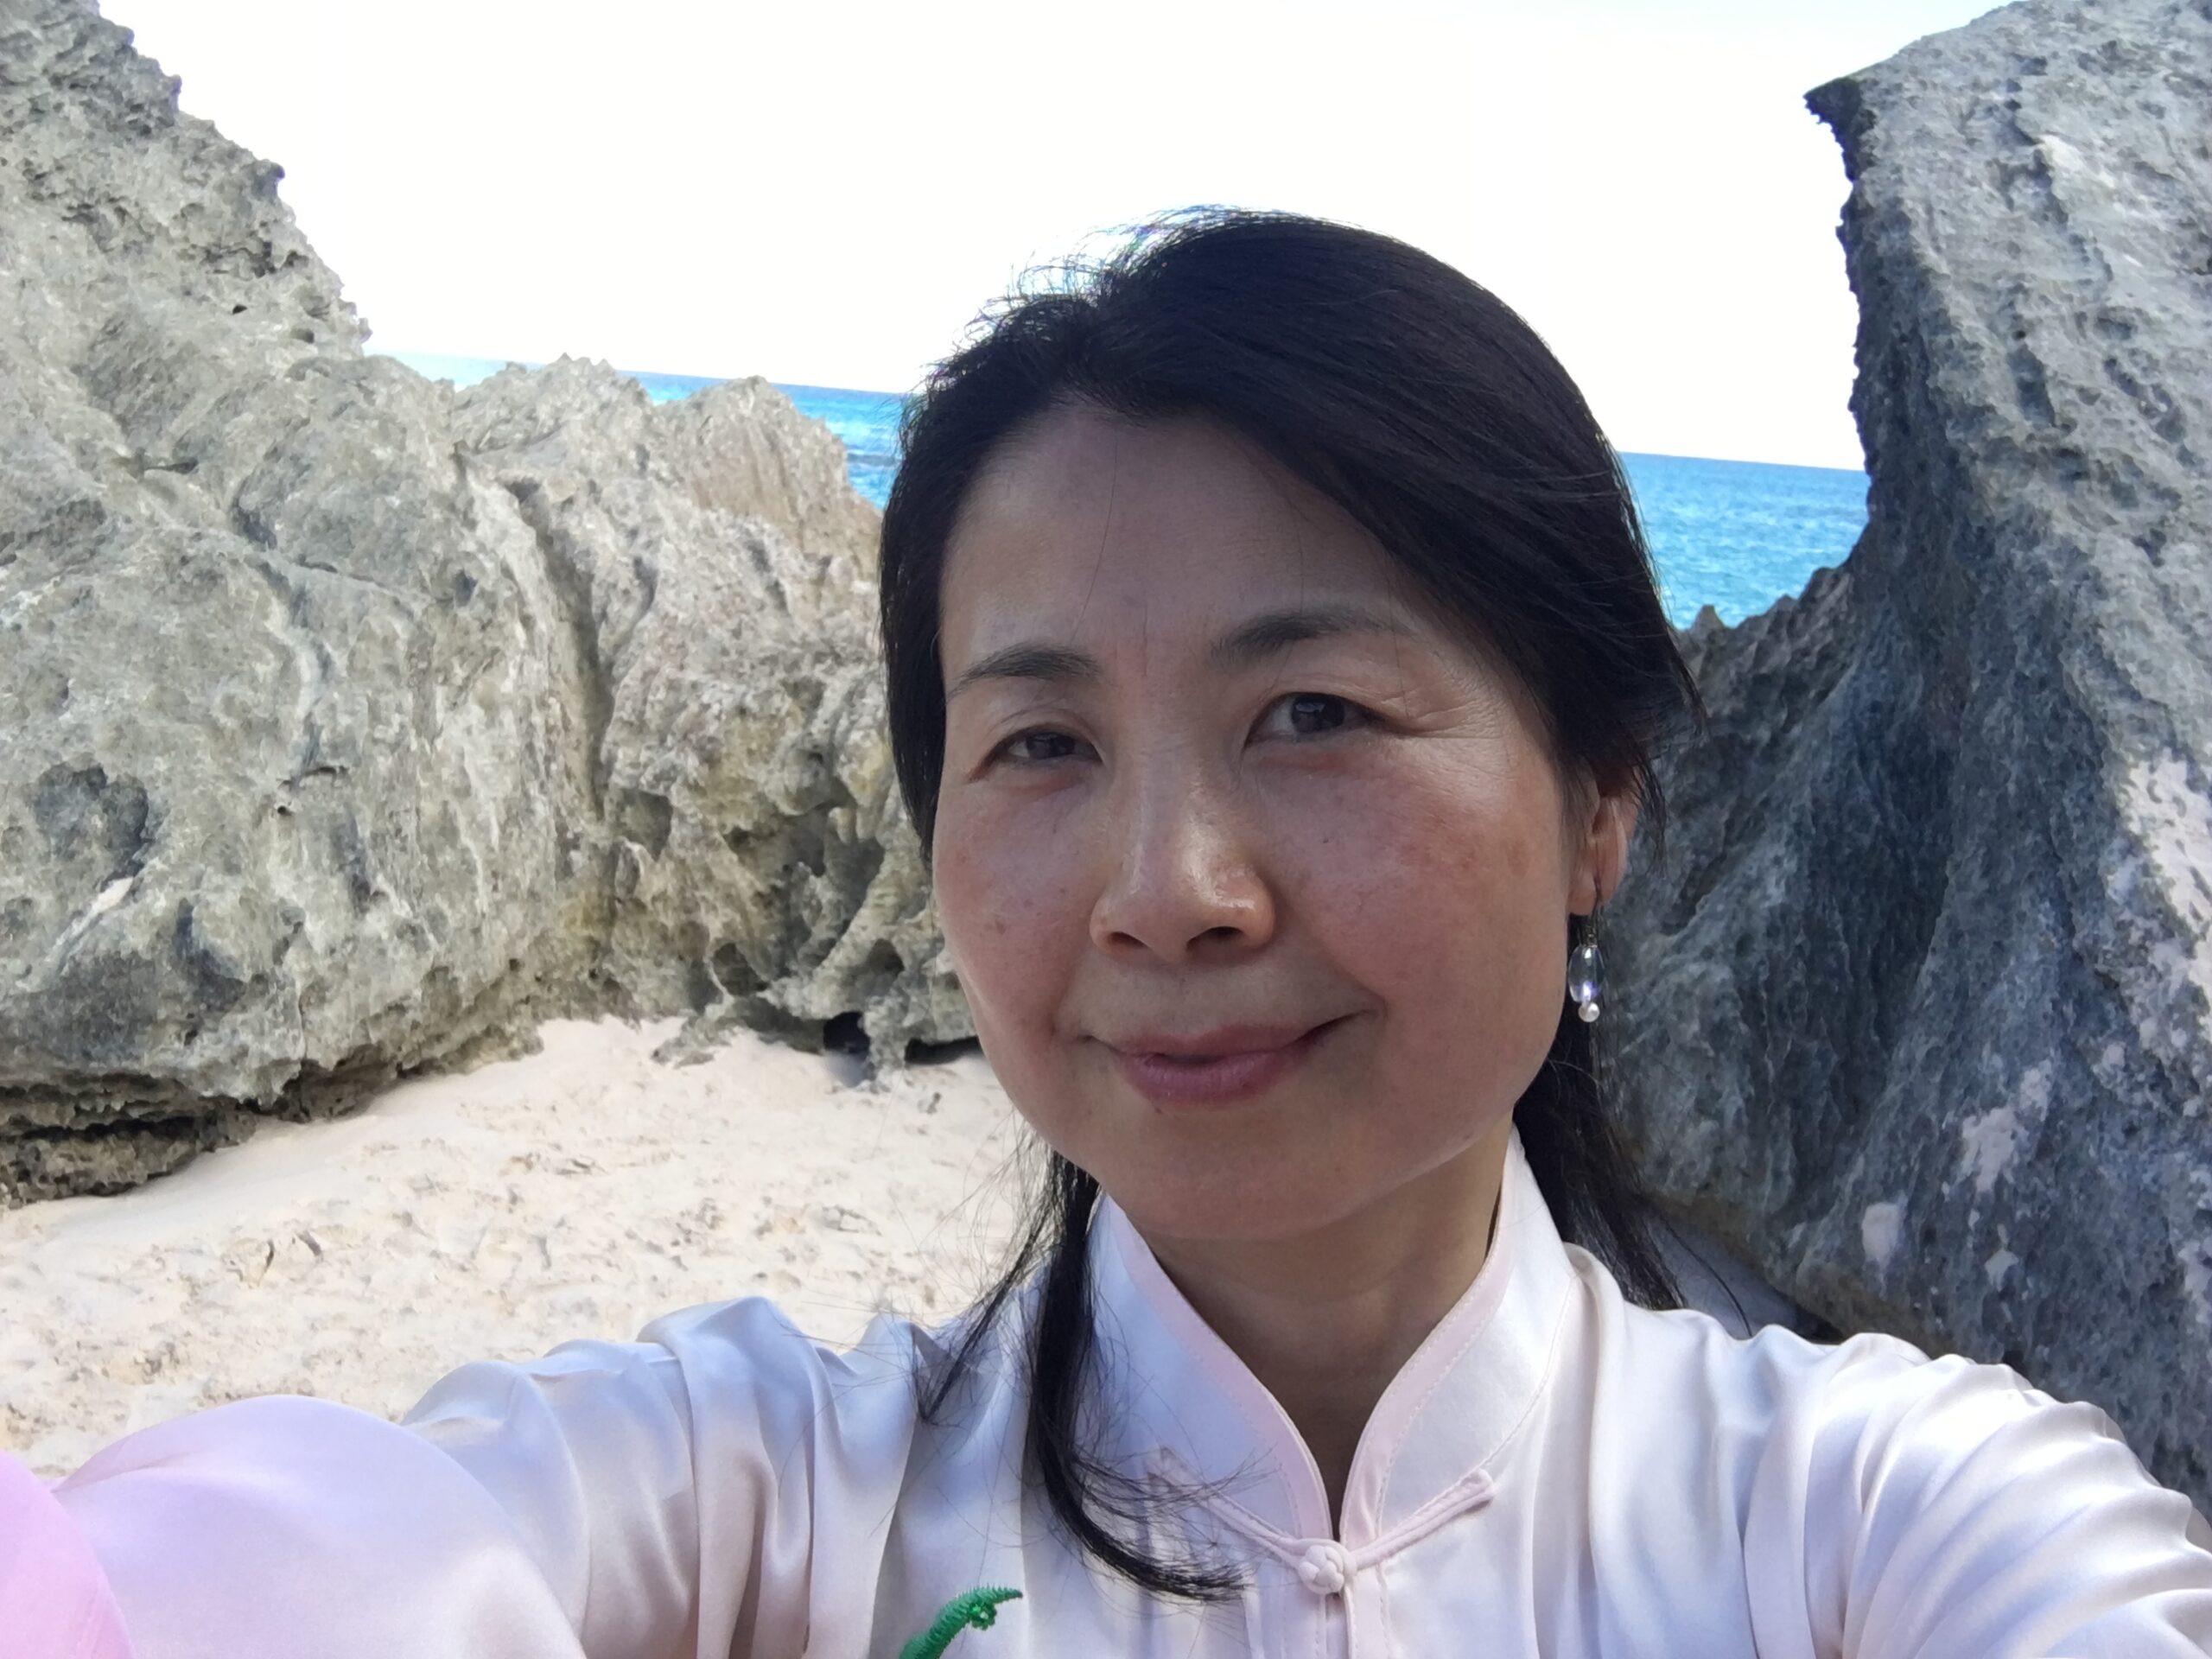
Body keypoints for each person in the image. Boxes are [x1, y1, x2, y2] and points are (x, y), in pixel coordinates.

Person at [24, 209, 2212, 1657]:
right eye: (1042, 746)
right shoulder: (757, 1502)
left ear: (1598, 800)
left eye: (1314, 713)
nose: (1168, 890)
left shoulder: (1887, 1523)